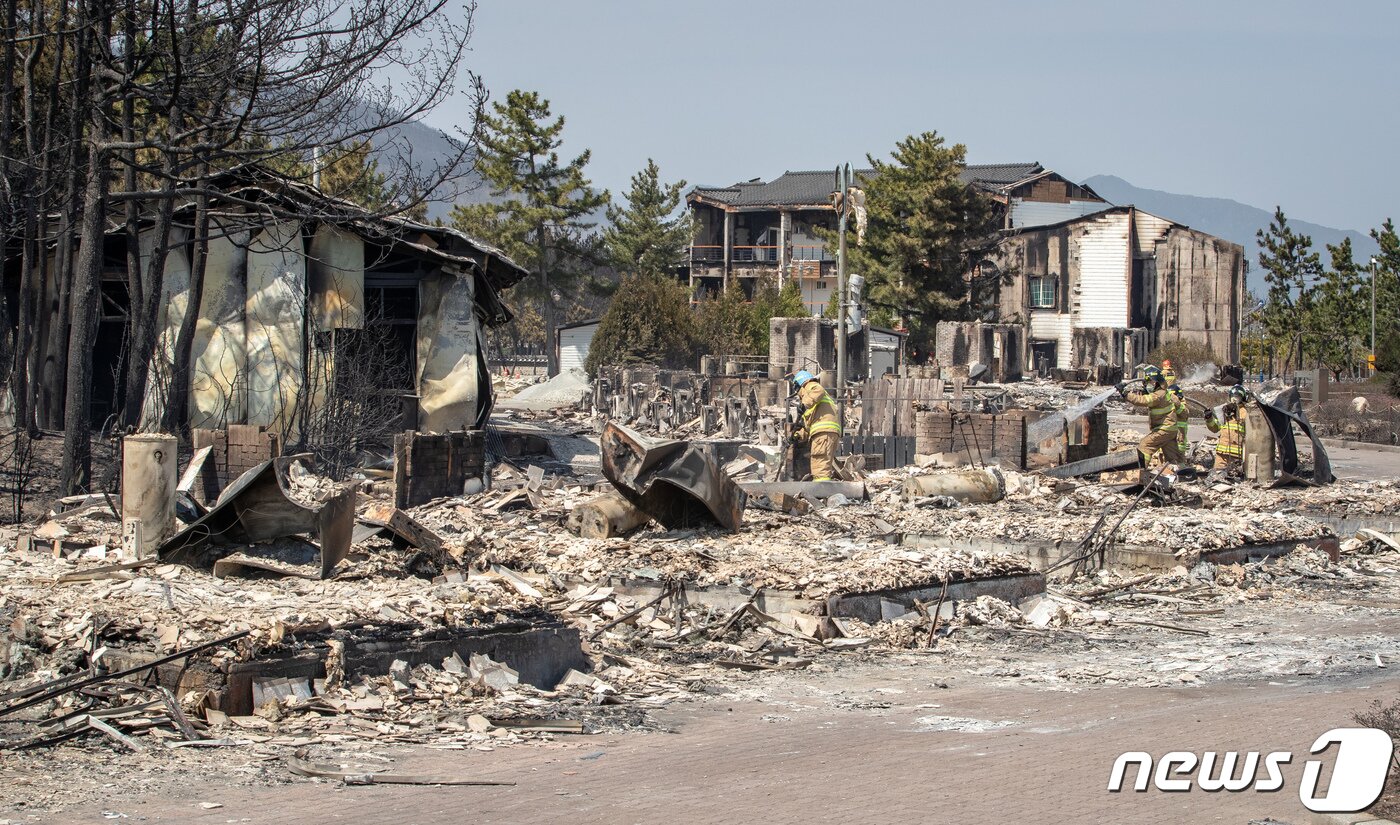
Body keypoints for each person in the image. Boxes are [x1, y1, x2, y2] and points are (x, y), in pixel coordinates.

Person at [1117, 365, 1184, 467]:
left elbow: (1144, 400)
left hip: (1163, 429)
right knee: (1173, 457)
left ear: (1157, 382)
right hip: (1170, 429)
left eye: (1150, 382)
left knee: (1145, 446)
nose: (1148, 384)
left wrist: (1125, 394)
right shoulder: (1163, 393)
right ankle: (1182, 474)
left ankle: (1140, 470)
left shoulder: (1159, 395)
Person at [791, 370, 842, 481]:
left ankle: (821, 493)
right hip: (826, 433)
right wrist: (797, 436)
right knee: (822, 466)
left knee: (820, 468)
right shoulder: (813, 403)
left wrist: (804, 404)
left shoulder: (810, 386)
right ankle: (823, 492)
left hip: (823, 433)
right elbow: (808, 425)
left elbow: (818, 390)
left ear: (799, 384)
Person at [1205, 385, 1250, 472]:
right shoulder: (1224, 410)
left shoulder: (1246, 412)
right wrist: (1209, 418)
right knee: (1217, 476)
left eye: (1237, 396)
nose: (1235, 399)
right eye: (1233, 396)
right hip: (1222, 454)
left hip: (1236, 455)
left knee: (1234, 477)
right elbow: (1215, 428)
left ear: (1243, 397)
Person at [1168, 383, 1190, 459]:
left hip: (1178, 444)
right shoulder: (1167, 404)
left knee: (1178, 466)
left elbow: (1184, 413)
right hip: (1167, 443)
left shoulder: (1182, 406)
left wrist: (1175, 401)